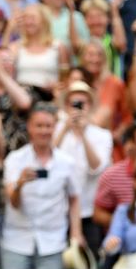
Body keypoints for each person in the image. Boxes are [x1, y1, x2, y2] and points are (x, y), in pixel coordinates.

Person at [2, 104, 82, 269]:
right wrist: (20, 183)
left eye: (48, 126)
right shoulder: (15, 159)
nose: (44, 131)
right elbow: (13, 202)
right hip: (17, 242)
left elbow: (74, 199)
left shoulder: (66, 162)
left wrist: (76, 233)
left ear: (54, 128)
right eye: (39, 126)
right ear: (29, 128)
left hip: (53, 242)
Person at [55, 81, 113, 252]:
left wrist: (83, 134)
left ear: (90, 106)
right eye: (74, 103)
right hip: (58, 211)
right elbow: (46, 157)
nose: (79, 108)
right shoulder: (56, 130)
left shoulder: (102, 135)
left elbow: (96, 167)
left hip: (89, 211)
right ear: (66, 106)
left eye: (83, 103)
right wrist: (65, 129)